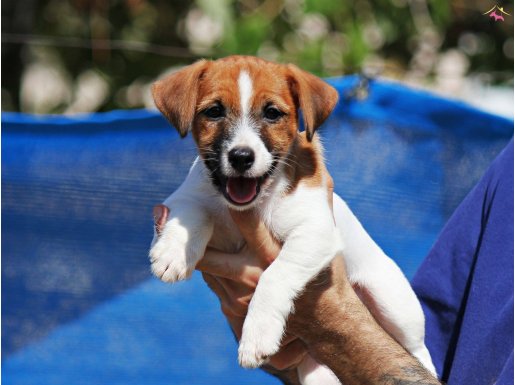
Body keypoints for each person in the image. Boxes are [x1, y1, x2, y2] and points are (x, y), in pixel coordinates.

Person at [153, 140, 513, 385]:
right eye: (214, 113)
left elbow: (320, 245)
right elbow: (408, 350)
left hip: (361, 294)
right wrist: (181, 233)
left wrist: (330, 325)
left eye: (272, 114)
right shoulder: (507, 170)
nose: (242, 141)